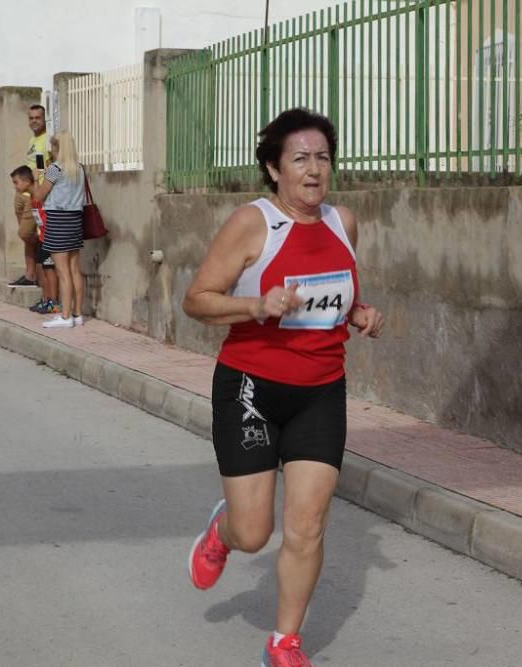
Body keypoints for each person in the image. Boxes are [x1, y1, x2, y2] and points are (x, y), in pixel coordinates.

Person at [182, 107, 384, 667]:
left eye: (322, 157)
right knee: (255, 532)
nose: (314, 170)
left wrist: (359, 314)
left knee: (308, 524)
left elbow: (330, 302)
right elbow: (196, 299)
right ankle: (223, 536)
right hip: (251, 387)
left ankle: (285, 641)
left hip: (321, 391)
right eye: (300, 159)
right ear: (274, 168)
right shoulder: (253, 224)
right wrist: (255, 304)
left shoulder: (344, 223)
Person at [33, 132, 85, 329]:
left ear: (56, 148)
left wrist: (38, 177)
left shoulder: (55, 169)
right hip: (75, 220)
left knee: (62, 271)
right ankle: (77, 313)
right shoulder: (79, 168)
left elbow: (39, 196)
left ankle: (65, 316)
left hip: (57, 219)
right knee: (74, 269)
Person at [10, 104, 52, 287]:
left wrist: (35, 190)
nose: (34, 121)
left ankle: (38, 270)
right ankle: (30, 274)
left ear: (44, 119)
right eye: (31, 118)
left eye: (38, 118)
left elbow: (40, 169)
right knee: (27, 235)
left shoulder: (44, 141)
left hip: (33, 195)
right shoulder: (32, 141)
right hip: (22, 193)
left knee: (27, 233)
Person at [10, 165, 58, 313]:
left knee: (49, 270)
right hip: (42, 236)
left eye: (16, 182)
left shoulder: (39, 195)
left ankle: (53, 303)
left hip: (50, 236)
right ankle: (45, 300)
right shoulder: (31, 197)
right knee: (41, 269)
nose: (15, 186)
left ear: (26, 181)